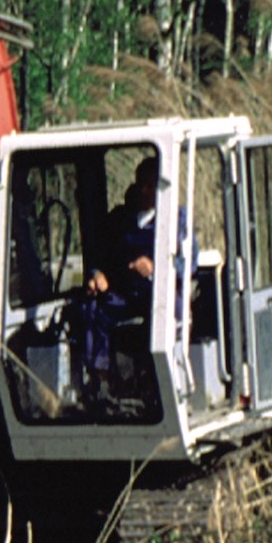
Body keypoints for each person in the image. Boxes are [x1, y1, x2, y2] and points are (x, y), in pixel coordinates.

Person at [72, 157, 158, 404]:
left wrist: (154, 269)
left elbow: (187, 264)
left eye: (150, 186)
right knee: (90, 307)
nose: (144, 191)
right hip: (123, 294)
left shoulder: (173, 221)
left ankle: (150, 385)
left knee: (160, 319)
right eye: (141, 184)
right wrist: (97, 275)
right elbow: (102, 255)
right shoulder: (120, 219)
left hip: (155, 295)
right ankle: (100, 378)